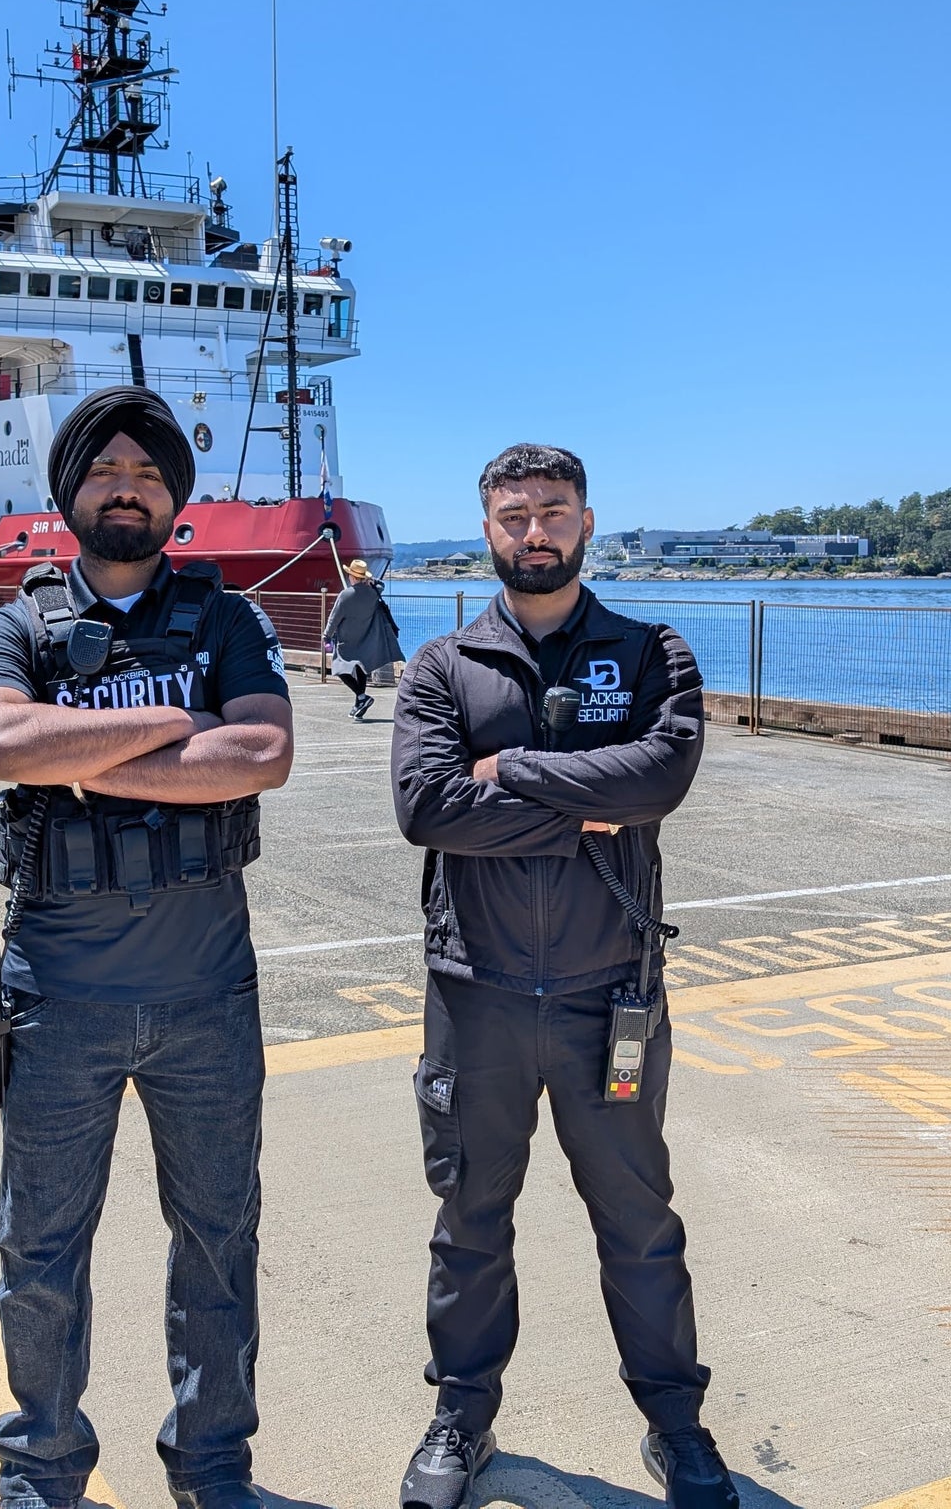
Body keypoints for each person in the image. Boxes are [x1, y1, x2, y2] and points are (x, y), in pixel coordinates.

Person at [0, 385, 294, 1509]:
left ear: (173, 501)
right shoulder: (17, 624)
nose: (127, 486)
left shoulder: (229, 619)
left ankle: (211, 1467)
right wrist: (169, 726)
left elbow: (263, 752)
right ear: (70, 496)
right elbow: (2, 740)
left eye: (149, 474)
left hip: (209, 993)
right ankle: (43, 1474)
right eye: (107, 471)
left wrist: (85, 746)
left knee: (218, 1240)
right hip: (59, 997)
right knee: (39, 1255)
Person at [390, 443, 731, 1509]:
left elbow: (662, 775)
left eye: (552, 511)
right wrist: (588, 795)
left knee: (639, 1219)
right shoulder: (442, 668)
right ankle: (461, 1413)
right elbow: (426, 808)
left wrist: (513, 772)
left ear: (586, 522)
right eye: (512, 515)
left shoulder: (648, 651)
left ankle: (676, 1424)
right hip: (477, 991)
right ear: (484, 528)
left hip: (609, 994)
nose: (533, 531)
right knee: (469, 1220)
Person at [323, 556, 403, 721]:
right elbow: (381, 585)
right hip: (365, 636)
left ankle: (361, 697)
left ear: (352, 576)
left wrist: (326, 636)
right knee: (360, 668)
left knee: (339, 669)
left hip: (346, 639)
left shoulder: (345, 595)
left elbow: (334, 618)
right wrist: (370, 580)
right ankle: (359, 703)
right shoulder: (373, 592)